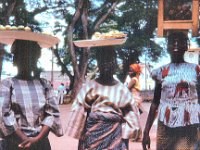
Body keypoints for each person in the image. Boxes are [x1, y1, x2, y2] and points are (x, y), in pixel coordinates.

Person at [66, 46, 140, 150]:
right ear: (98, 62)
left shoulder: (122, 90)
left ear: (114, 62)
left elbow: (130, 118)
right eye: (102, 59)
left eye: (110, 59)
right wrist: (81, 146)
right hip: (92, 140)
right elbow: (80, 115)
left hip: (115, 140)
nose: (106, 63)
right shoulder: (89, 87)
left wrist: (124, 145)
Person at [0, 37, 63, 150]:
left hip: (40, 143)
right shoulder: (7, 84)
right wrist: (25, 138)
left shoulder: (44, 84)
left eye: (30, 56)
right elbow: (4, 114)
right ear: (15, 60)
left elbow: (51, 114)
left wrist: (36, 139)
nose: (26, 60)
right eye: (21, 56)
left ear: (35, 59)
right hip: (15, 144)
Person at [142, 32, 200, 150]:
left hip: (190, 125)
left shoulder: (196, 70)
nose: (176, 44)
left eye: (181, 41)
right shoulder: (161, 71)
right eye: (172, 41)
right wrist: (146, 131)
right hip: (165, 125)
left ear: (187, 45)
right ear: (167, 46)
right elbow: (155, 103)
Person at [125, 63, 143, 141]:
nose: (129, 72)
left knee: (134, 118)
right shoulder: (137, 79)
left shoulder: (133, 80)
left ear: (135, 71)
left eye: (131, 71)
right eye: (129, 71)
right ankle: (137, 136)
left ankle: (138, 136)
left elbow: (126, 89)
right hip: (137, 99)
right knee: (136, 117)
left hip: (133, 99)